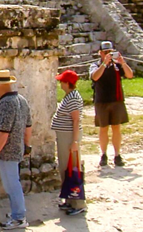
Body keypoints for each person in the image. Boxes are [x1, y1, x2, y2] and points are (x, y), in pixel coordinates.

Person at [0, 69, 32, 230]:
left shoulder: (6, 104)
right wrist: (27, 145)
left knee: (11, 184)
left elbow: (3, 132)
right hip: (17, 148)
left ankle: (19, 217)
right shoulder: (21, 100)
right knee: (12, 182)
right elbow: (28, 126)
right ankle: (16, 212)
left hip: (7, 151)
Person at [89, 41, 133, 167]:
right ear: (100, 53)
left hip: (116, 100)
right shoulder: (95, 65)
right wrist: (104, 63)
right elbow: (95, 77)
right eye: (106, 52)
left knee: (116, 128)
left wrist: (123, 63)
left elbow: (130, 75)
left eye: (110, 52)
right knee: (103, 129)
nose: (108, 54)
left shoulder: (117, 66)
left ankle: (117, 155)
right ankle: (103, 154)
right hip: (101, 101)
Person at [51, 70, 86, 216]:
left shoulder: (73, 98)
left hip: (69, 137)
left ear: (67, 83)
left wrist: (75, 141)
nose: (60, 83)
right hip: (64, 135)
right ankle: (69, 199)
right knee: (65, 168)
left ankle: (78, 203)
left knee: (72, 169)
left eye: (62, 81)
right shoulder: (69, 96)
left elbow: (76, 120)